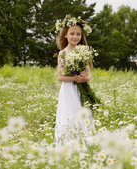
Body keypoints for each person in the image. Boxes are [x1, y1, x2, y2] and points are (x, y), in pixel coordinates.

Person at [54, 15, 94, 146]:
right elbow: (60, 77)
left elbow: (89, 74)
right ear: (65, 35)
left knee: (82, 114)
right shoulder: (63, 53)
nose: (75, 37)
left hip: (81, 89)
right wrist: (74, 78)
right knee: (68, 114)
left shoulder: (84, 51)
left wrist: (85, 78)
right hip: (68, 90)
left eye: (78, 34)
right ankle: (66, 145)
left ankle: (83, 144)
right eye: (72, 33)